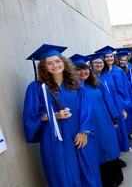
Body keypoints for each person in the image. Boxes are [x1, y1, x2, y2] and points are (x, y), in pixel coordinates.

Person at [23, 44, 101, 187]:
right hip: (55, 138)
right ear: (43, 67)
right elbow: (31, 116)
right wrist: (55, 115)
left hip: (79, 134)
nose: (55, 65)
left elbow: (87, 109)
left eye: (58, 61)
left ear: (64, 62)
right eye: (49, 63)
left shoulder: (76, 84)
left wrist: (84, 131)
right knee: (62, 173)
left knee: (87, 170)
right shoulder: (36, 88)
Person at [70, 54, 124, 187]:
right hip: (90, 126)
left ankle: (117, 177)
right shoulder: (72, 89)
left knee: (110, 148)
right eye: (78, 69)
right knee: (97, 153)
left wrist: (114, 118)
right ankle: (105, 181)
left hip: (105, 121)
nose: (83, 72)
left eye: (85, 68)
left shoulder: (96, 83)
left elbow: (108, 100)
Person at [95, 46, 132, 140]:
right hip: (110, 99)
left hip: (121, 98)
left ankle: (128, 133)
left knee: (125, 117)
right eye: (106, 57)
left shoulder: (119, 70)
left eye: (111, 56)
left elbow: (126, 87)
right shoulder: (101, 73)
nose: (109, 58)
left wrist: (126, 98)